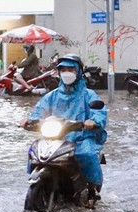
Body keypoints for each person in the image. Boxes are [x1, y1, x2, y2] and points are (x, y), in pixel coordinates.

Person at [22, 54, 107, 199]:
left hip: (81, 137)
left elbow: (99, 112)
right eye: (63, 70)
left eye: (71, 69)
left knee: (85, 154)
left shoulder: (88, 95)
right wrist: (29, 121)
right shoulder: (52, 95)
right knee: (34, 151)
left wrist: (93, 121)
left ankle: (92, 190)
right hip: (56, 137)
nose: (67, 73)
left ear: (79, 72)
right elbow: (39, 111)